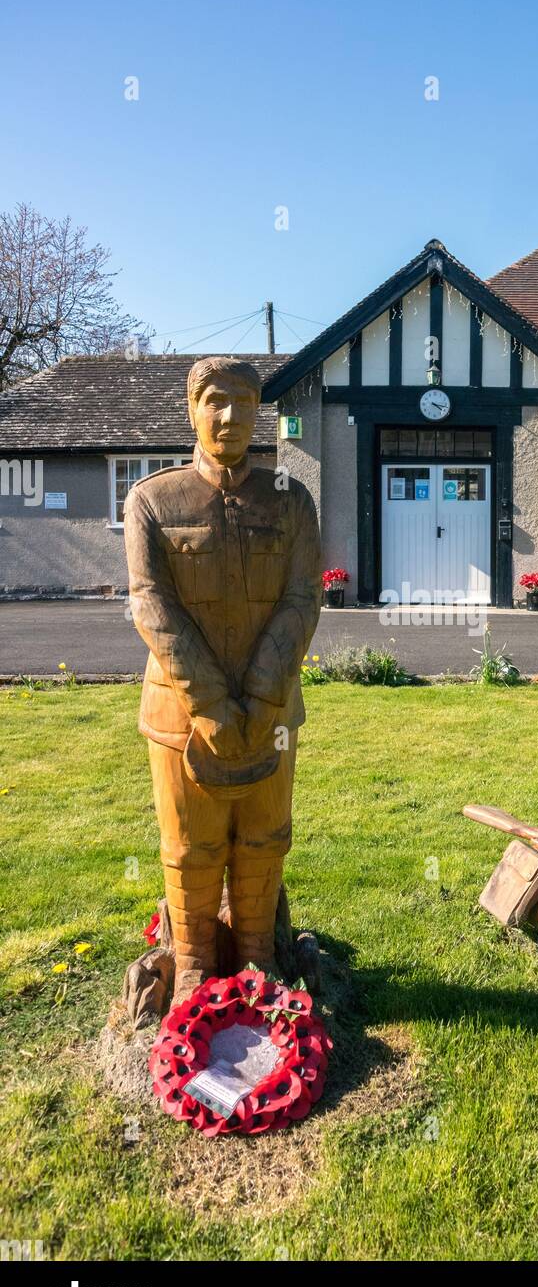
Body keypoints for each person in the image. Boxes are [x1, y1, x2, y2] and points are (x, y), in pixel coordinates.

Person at [124, 355, 321, 1001]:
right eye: (214, 399)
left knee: (266, 836)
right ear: (192, 408)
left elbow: (301, 601)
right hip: (180, 718)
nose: (229, 415)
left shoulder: (292, 501)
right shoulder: (153, 500)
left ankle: (262, 960)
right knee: (190, 846)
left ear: (259, 411)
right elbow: (152, 604)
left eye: (243, 401)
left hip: (273, 717)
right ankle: (193, 970)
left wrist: (263, 698)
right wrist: (210, 705)